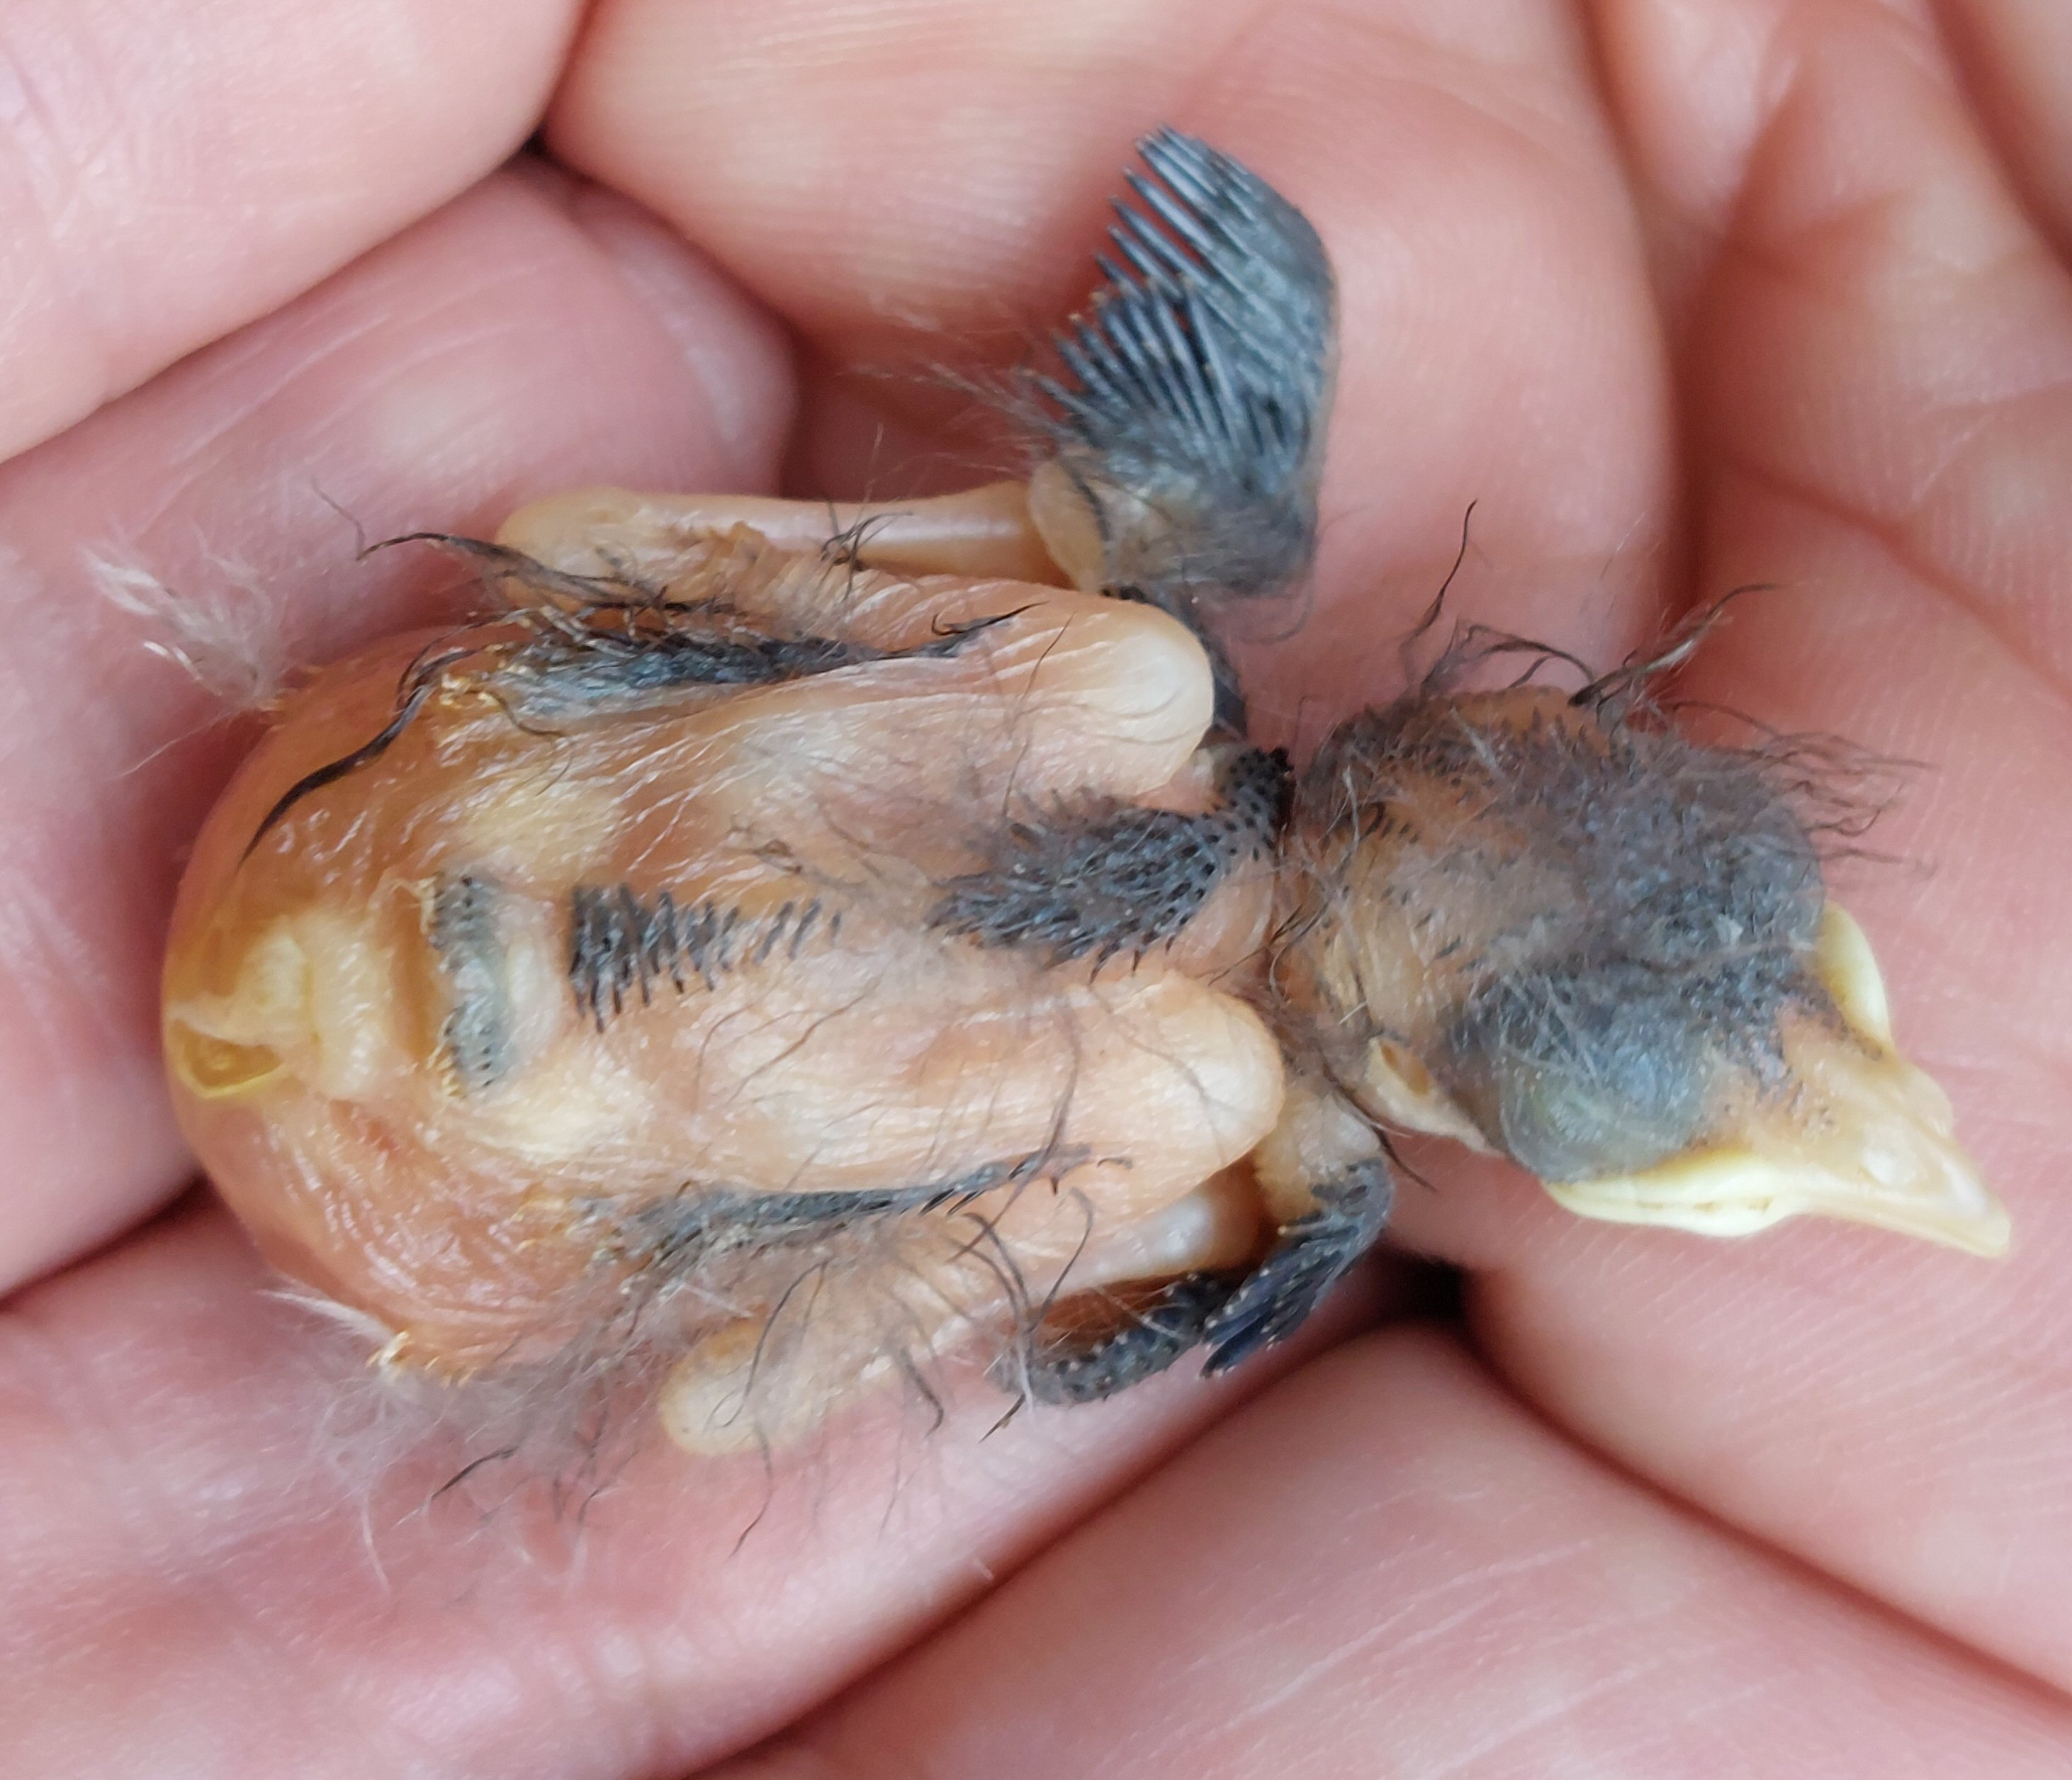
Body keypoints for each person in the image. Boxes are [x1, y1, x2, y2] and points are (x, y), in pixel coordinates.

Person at [5, 1, 2069, 1771]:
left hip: (402, 914)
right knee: (1094, 1084)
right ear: (1447, 1110)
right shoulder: (1184, 1080)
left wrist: (1071, 529)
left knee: (1107, 788)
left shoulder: (1120, 686)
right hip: (426, 1147)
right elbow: (751, 1390)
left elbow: (589, 531)